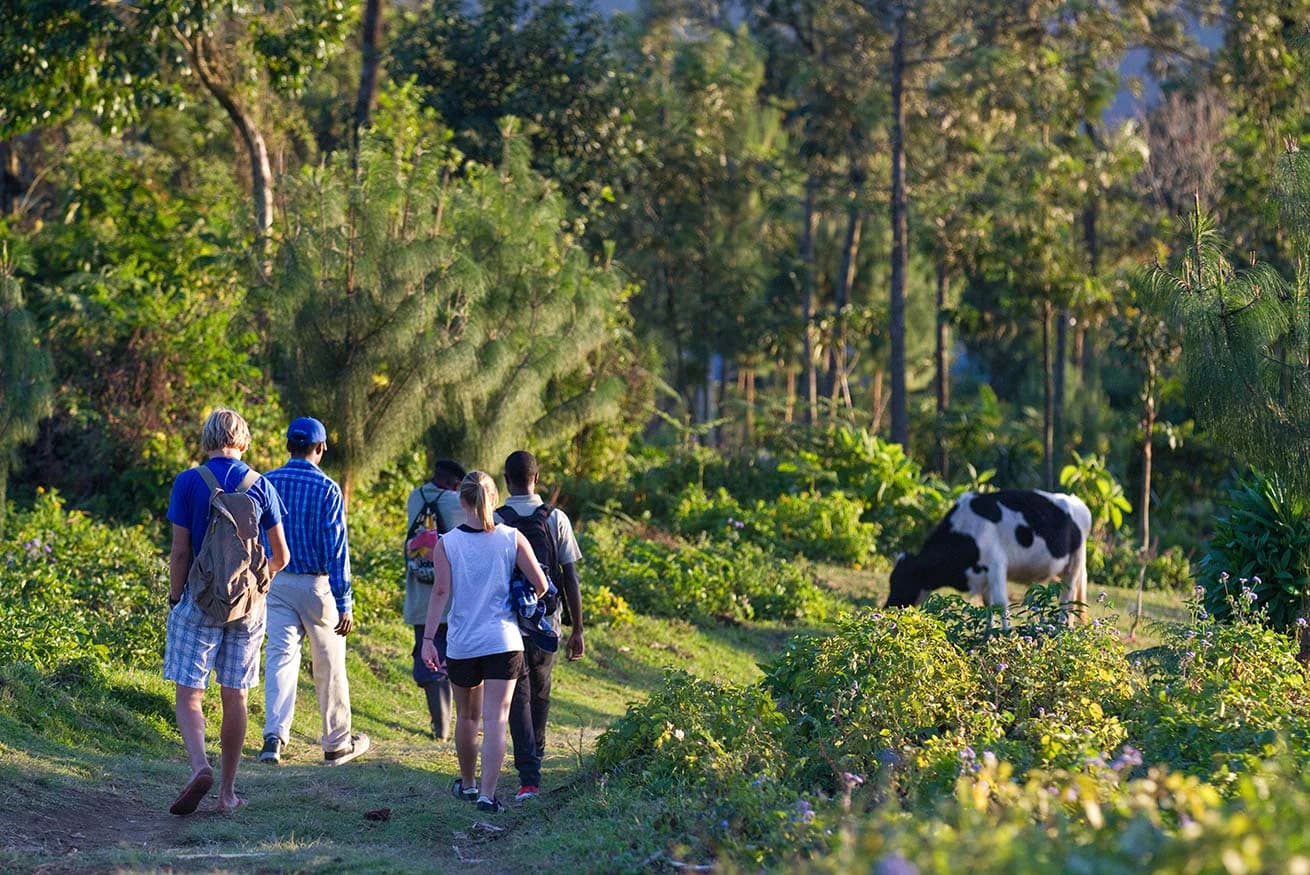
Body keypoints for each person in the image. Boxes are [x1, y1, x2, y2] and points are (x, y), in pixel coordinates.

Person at [164, 407, 289, 816]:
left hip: (200, 599)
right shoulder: (261, 485)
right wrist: (256, 584)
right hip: (247, 606)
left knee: (190, 692)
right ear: (243, 441)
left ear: (207, 439)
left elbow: (180, 552)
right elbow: (282, 556)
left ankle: (200, 766)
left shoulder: (188, 482)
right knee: (235, 694)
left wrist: (176, 597)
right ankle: (227, 794)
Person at [421, 471, 549, 813]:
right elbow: (541, 584)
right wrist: (520, 598)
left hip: (463, 642)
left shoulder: (447, 544)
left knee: (467, 718)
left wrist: (429, 639)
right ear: (494, 499)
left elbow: (440, 592)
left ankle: (467, 784)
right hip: (504, 640)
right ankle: (487, 796)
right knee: (496, 720)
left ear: (461, 501)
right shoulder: (512, 538)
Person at [258, 417, 370, 767]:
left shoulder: (266, 483)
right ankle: (336, 743)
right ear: (320, 448)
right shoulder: (328, 489)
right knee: (329, 663)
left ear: (288, 446)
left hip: (276, 582)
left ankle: (273, 738)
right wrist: (344, 602)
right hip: (317, 587)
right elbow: (337, 551)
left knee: (280, 658)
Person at [496, 450, 585, 803]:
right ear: (536, 478)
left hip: (508, 622)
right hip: (547, 620)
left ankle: (527, 773)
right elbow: (570, 576)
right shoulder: (556, 518)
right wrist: (578, 629)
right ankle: (538, 754)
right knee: (541, 689)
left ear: (507, 480)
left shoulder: (495, 519)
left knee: (518, 694)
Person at [404, 459, 467, 739]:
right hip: (451, 596)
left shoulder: (414, 497)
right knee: (454, 659)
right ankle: (457, 723)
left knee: (428, 657)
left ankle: (439, 726)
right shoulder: (456, 502)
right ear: (456, 483)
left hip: (420, 596)